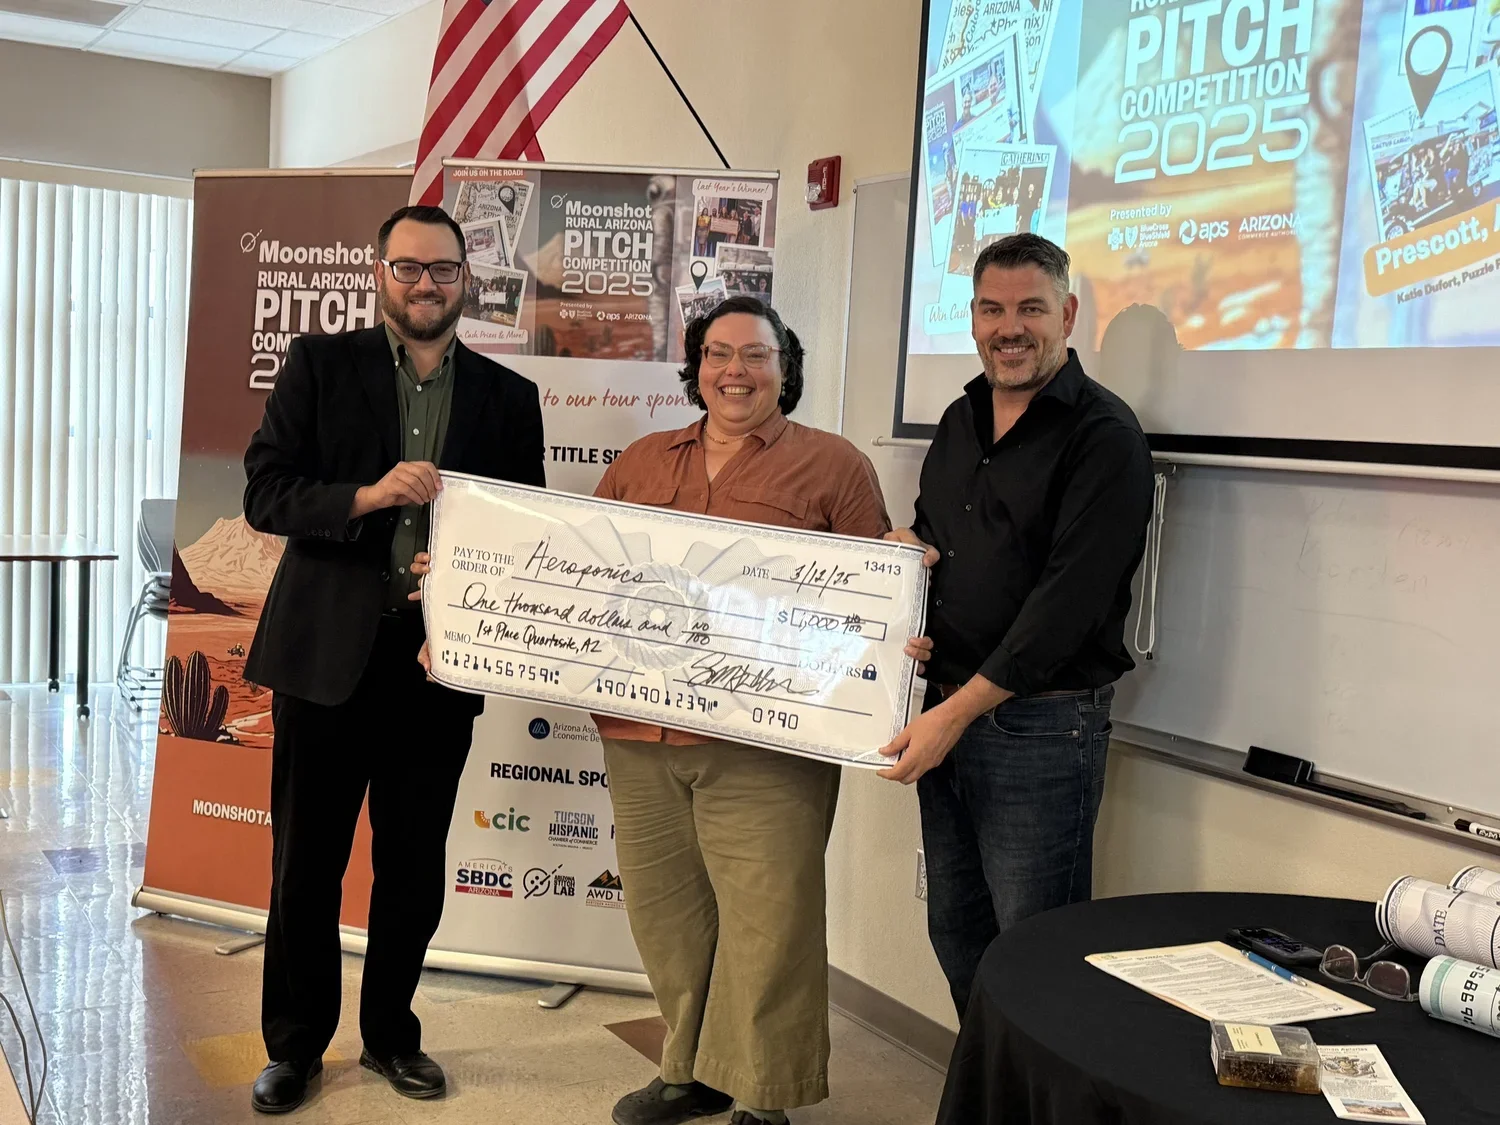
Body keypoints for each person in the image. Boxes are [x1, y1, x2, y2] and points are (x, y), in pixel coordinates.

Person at [241, 204, 546, 1114]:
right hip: (325, 658)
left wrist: (462, 571)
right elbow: (265, 491)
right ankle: (294, 1047)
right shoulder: (319, 366)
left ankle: (391, 1036)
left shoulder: (507, 395)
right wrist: (368, 496)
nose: (426, 284)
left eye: (444, 270)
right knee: (306, 864)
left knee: (413, 867)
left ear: (466, 280)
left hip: (435, 668)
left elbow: (521, 528)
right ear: (380, 273)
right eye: (409, 268)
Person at [588, 296, 892, 1125]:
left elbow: (875, 604)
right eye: (719, 354)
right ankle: (690, 1069)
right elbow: (578, 568)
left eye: (755, 355)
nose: (735, 371)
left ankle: (763, 1094)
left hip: (768, 746)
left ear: (784, 366)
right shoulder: (643, 460)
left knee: (770, 922)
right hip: (641, 733)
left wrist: (897, 622)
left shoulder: (835, 467)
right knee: (667, 913)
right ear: (695, 367)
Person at [879, 233, 1154, 1019]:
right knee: (958, 934)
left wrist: (951, 716)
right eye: (993, 309)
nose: (1011, 327)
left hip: (1038, 728)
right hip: (945, 713)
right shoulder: (960, 419)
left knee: (1036, 956)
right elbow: (940, 542)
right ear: (971, 319)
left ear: (1066, 314)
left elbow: (1062, 612)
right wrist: (903, 559)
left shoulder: (1105, 436)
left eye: (1031, 308)